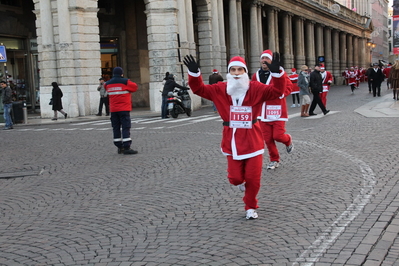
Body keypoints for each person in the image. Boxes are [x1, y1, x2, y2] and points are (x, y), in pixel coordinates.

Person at [183, 53, 287, 220]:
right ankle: (241, 185)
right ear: (229, 73)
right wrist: (195, 74)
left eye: (240, 69)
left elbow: (277, 91)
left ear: (245, 72)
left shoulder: (256, 88)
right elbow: (198, 89)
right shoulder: (220, 89)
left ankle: (250, 206)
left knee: (253, 178)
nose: (237, 73)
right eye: (233, 70)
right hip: (231, 140)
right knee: (235, 178)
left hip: (252, 139)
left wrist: (277, 74)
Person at [252, 50, 293, 170]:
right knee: (267, 139)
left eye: (267, 58)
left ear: (271, 60)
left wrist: (280, 94)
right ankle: (274, 159)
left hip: (277, 110)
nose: (264, 60)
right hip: (262, 113)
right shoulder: (256, 75)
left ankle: (288, 140)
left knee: (278, 135)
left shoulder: (279, 73)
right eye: (262, 58)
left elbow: (289, 86)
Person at [104, 67, 139, 155]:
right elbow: (135, 87)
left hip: (113, 109)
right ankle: (127, 146)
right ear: (121, 74)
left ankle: (119, 146)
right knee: (125, 127)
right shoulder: (125, 82)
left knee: (116, 127)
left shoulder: (107, 83)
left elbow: (106, 89)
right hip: (124, 108)